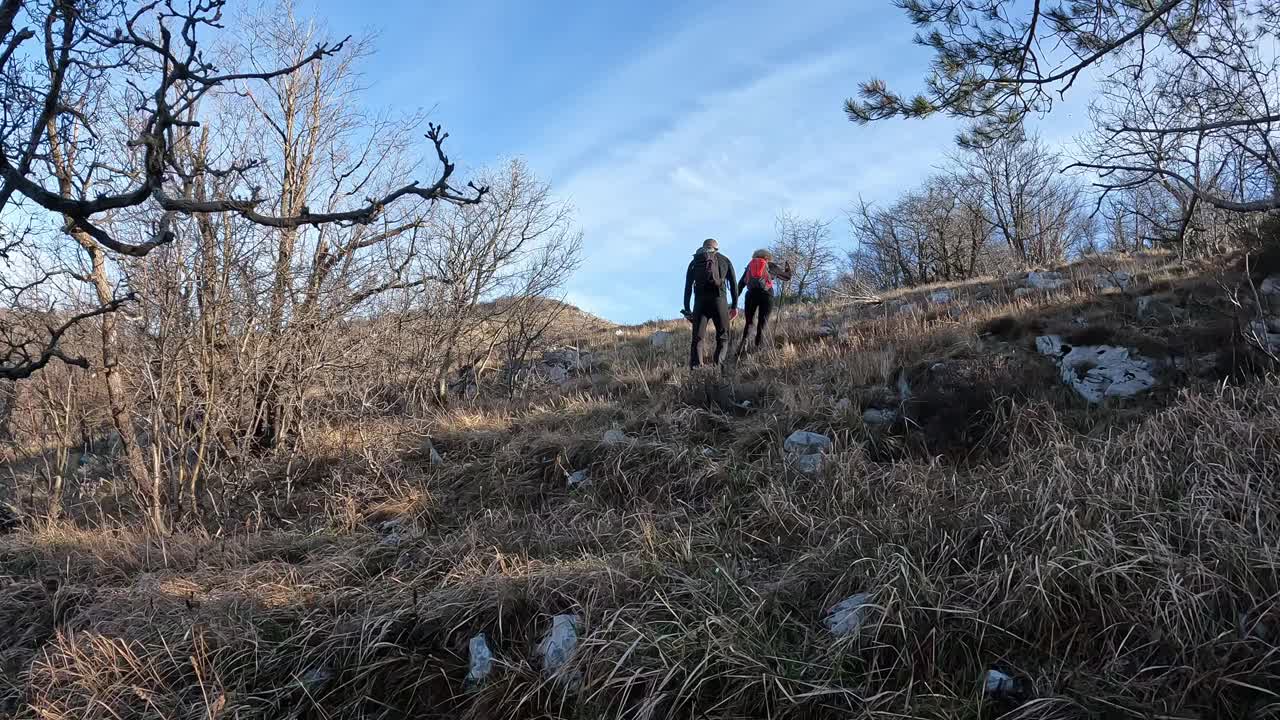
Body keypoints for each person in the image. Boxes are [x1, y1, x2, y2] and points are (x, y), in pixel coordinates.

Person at [682, 238, 738, 368]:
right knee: (723, 337)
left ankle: (696, 369)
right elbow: (734, 285)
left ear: (703, 247)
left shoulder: (695, 262)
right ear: (716, 248)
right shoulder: (724, 260)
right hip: (719, 300)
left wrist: (687, 309)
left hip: (700, 303)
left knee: (698, 338)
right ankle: (718, 367)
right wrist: (734, 306)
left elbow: (688, 287)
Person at [736, 249, 791, 357]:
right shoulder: (770, 265)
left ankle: (742, 347)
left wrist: (735, 300)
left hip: (751, 295)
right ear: (767, 257)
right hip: (767, 295)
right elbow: (786, 277)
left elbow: (741, 283)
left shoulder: (749, 266)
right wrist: (788, 268)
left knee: (749, 322)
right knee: (762, 322)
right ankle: (758, 349)